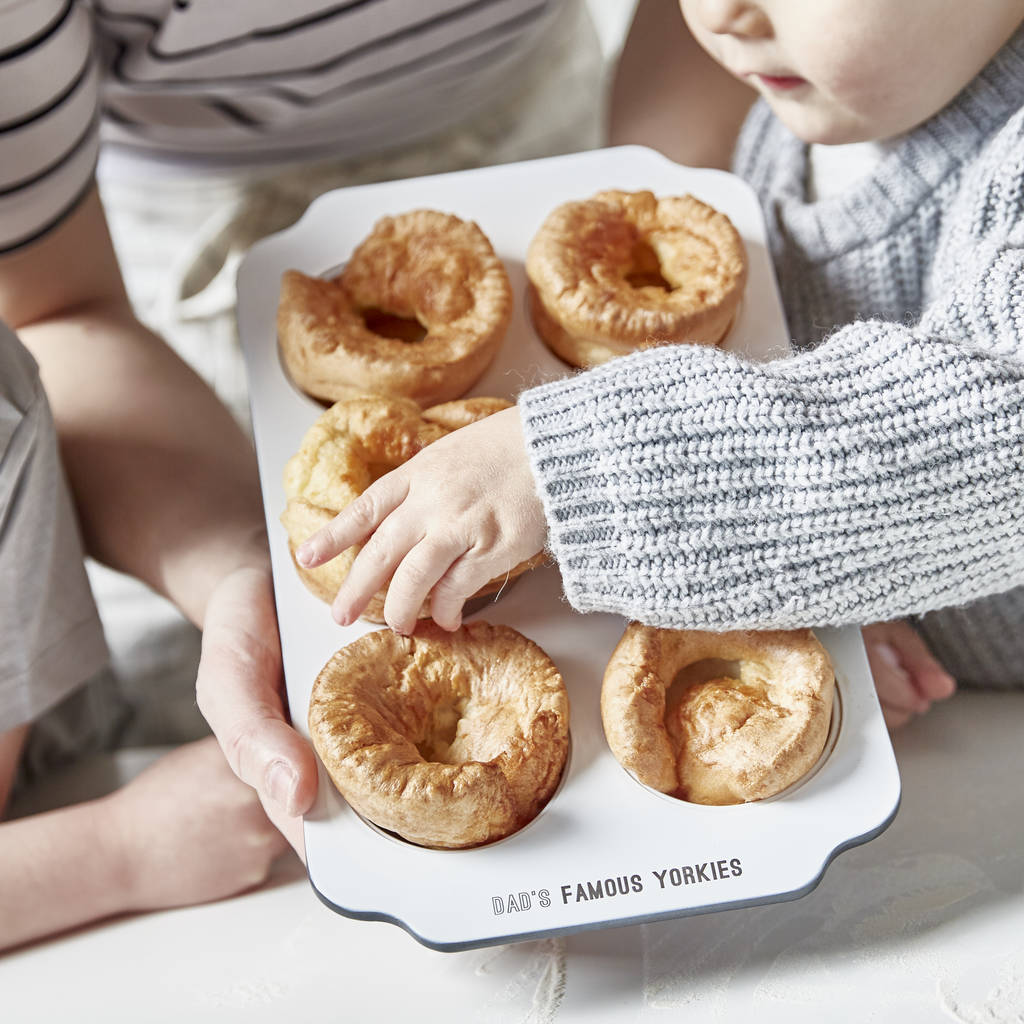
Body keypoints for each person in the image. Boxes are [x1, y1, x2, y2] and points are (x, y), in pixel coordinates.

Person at [0, 0, 613, 947]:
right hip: (173, 262)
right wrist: (241, 563)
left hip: (567, 131)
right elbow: (56, 309)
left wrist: (638, 386)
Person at [297, 0, 1024, 723]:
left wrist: (567, 467)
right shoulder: (815, 93)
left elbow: (981, 448)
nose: (721, 12)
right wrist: (824, 583)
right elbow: (854, 485)